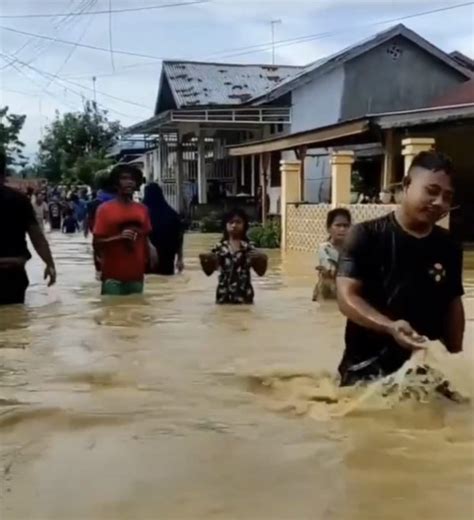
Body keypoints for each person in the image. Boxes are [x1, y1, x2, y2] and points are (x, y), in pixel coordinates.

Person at [336, 151, 465, 386]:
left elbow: (453, 303)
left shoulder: (449, 246)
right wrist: (390, 327)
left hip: (425, 370)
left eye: (447, 196)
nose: (439, 203)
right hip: (366, 370)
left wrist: (455, 360)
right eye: (432, 191)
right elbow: (346, 297)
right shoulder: (366, 235)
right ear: (406, 185)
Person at [0, 151, 56, 305]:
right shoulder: (20, 200)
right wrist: (50, 264)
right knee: (14, 323)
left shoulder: (21, 200)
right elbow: (37, 238)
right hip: (13, 271)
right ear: (5, 172)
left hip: (13, 270)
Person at [93, 164, 156, 296]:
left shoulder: (143, 210)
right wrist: (118, 238)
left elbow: (144, 235)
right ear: (116, 182)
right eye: (124, 178)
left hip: (136, 275)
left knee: (136, 312)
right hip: (112, 276)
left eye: (132, 179)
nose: (129, 182)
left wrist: (151, 248)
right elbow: (96, 243)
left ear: (137, 183)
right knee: (112, 313)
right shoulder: (104, 210)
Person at [199, 208, 268, 304]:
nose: (234, 225)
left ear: (244, 225)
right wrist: (204, 260)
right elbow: (208, 273)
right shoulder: (219, 248)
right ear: (225, 225)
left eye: (238, 222)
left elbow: (261, 273)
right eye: (231, 222)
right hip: (223, 297)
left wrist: (263, 259)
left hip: (245, 297)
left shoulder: (249, 248)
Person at [143, 183, 184, 275]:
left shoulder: (142, 213)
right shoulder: (172, 214)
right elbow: (179, 238)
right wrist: (180, 259)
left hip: (147, 257)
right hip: (168, 258)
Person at [312, 208, 351, 302]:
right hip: (327, 293)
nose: (342, 229)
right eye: (338, 225)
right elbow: (327, 263)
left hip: (344, 293)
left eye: (346, 226)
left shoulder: (353, 249)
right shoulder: (325, 248)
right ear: (328, 228)